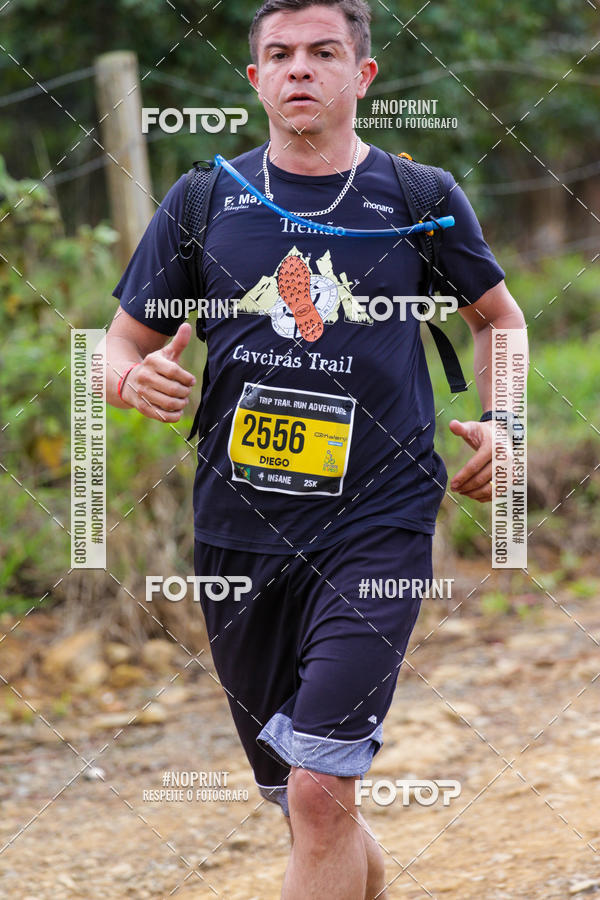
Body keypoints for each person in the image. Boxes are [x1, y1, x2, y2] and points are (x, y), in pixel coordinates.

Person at [105, 1, 526, 896]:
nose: (301, 68)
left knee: (322, 790)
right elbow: (117, 344)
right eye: (281, 54)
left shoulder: (419, 197)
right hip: (237, 530)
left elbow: (500, 321)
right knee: (303, 802)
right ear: (255, 79)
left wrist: (510, 426)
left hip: (380, 519)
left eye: (324, 52)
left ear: (361, 75)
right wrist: (130, 381)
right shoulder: (205, 197)